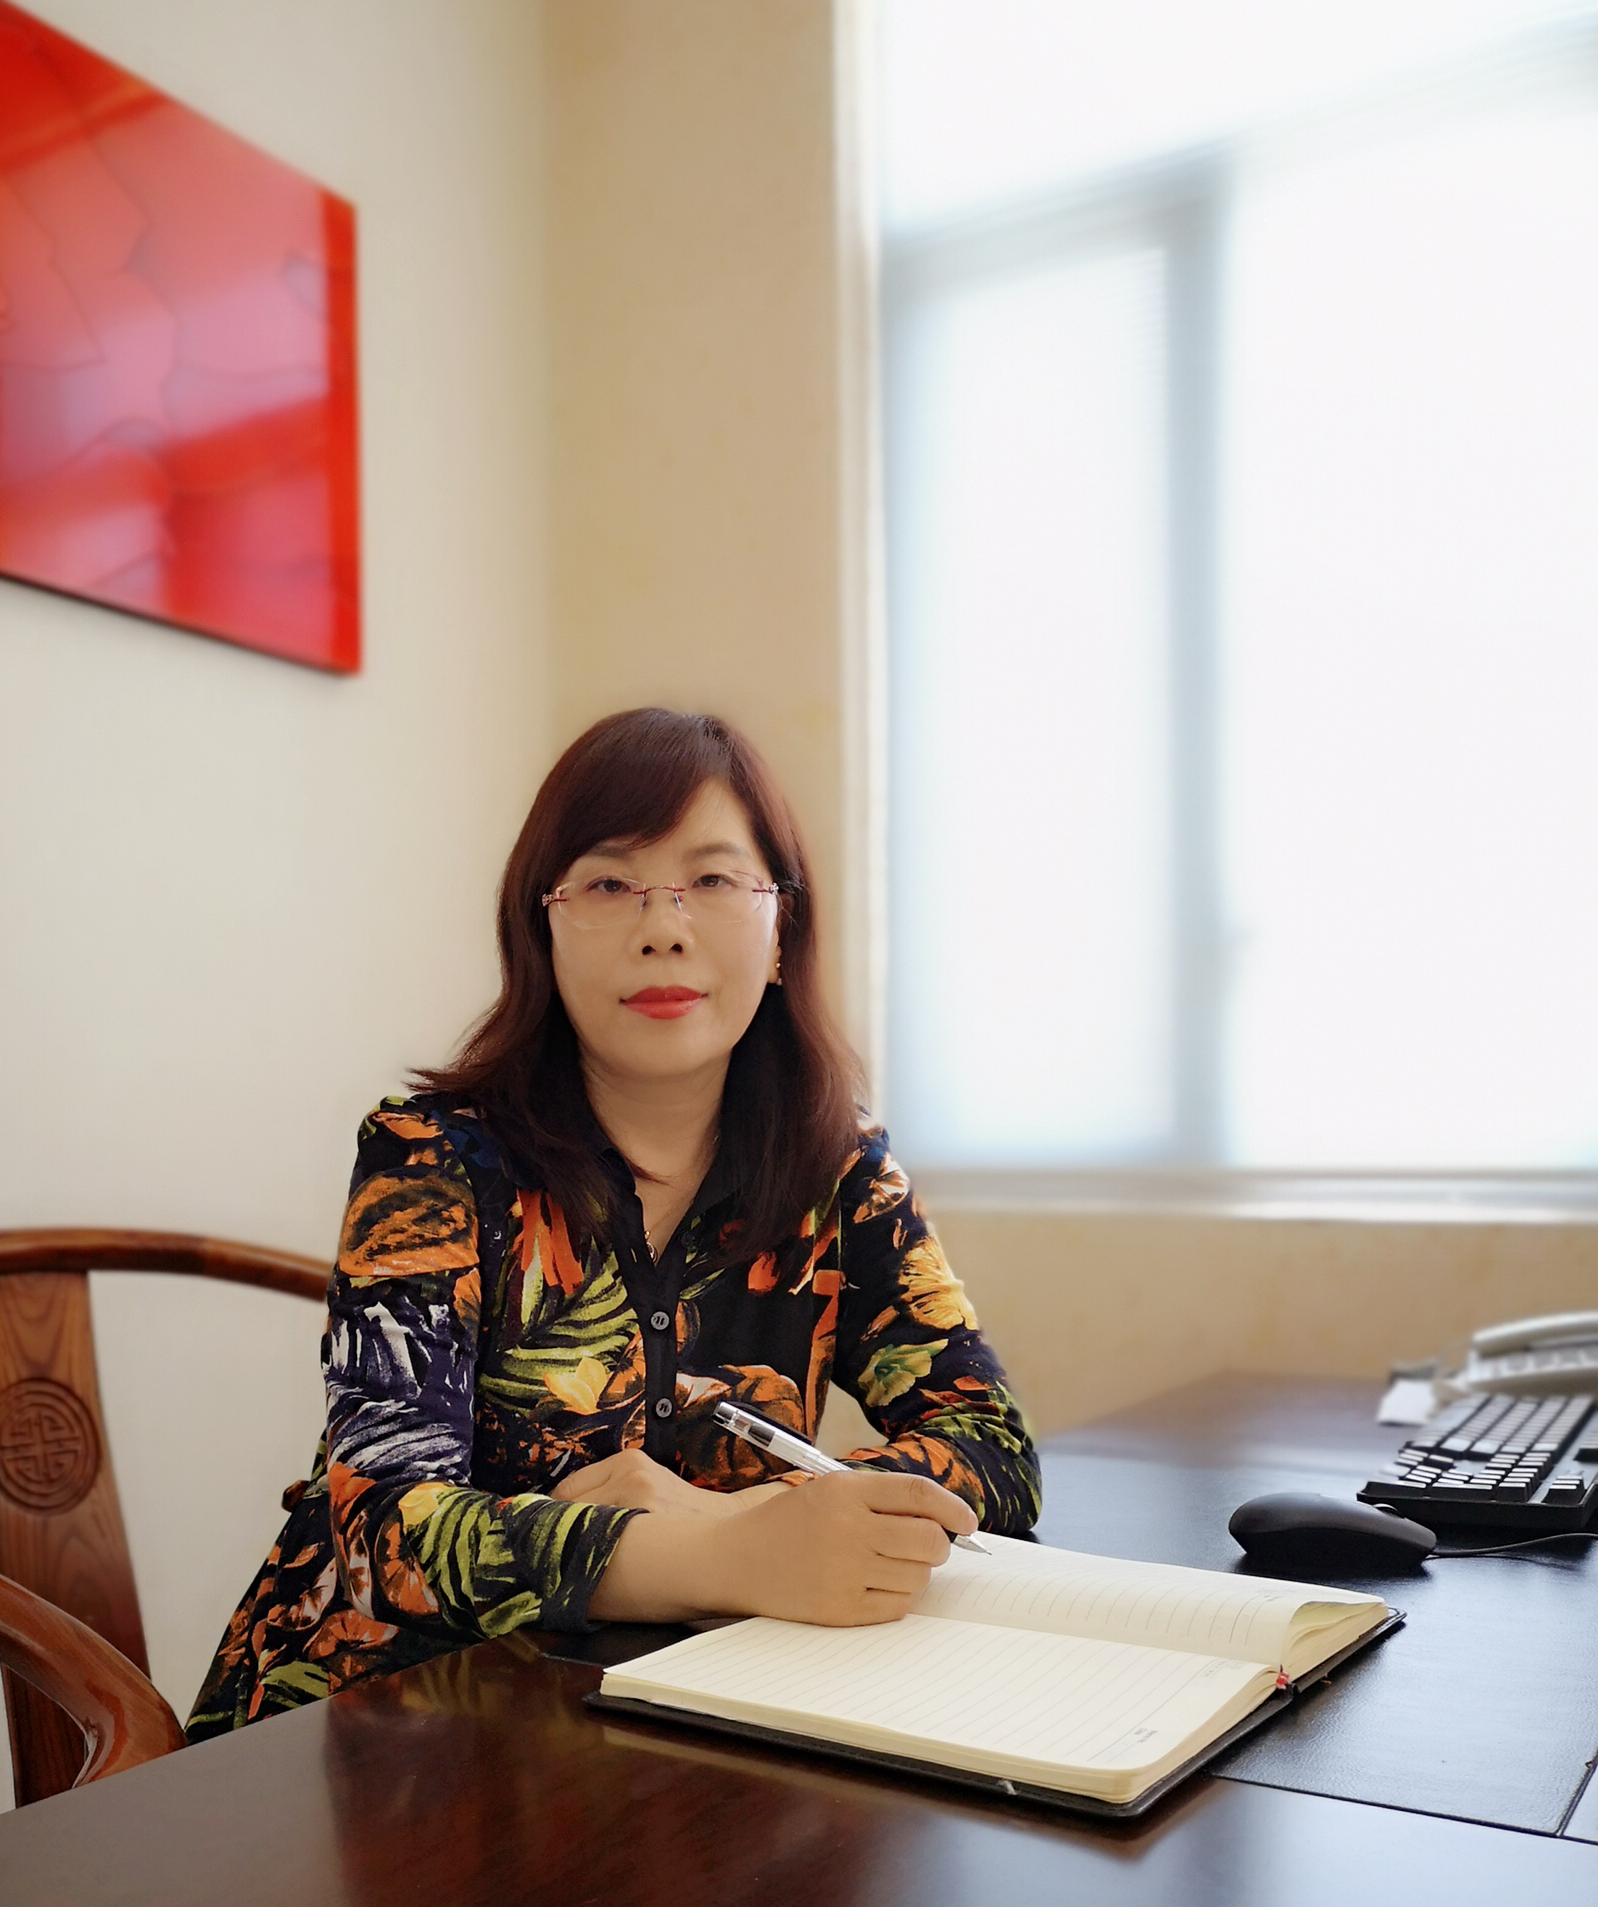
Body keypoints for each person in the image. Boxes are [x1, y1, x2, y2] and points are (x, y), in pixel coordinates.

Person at [188, 708, 1040, 1738]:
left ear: (781, 932)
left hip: (665, 1720)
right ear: (541, 933)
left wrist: (739, 1520)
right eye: (607, 885)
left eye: (713, 880)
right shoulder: (429, 1160)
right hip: (368, 1734)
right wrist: (729, 1555)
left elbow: (991, 1445)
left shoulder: (841, 1173)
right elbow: (385, 1530)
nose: (663, 927)